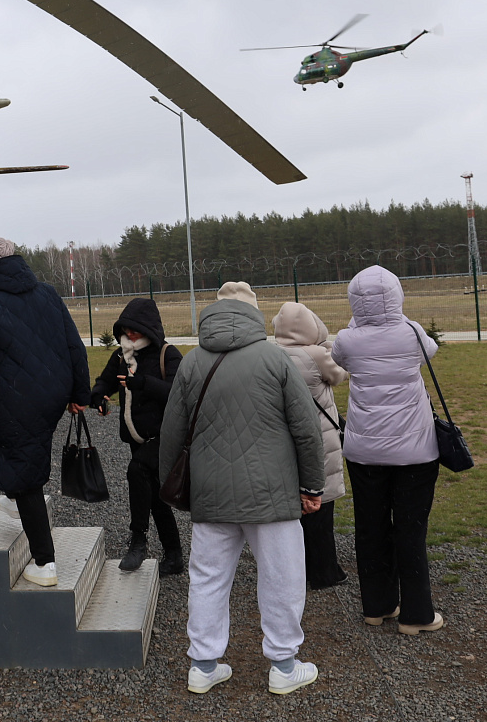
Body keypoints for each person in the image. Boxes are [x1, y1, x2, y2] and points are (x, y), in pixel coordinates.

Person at [159, 282, 326, 696]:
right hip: (272, 492)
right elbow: (307, 430)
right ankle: (283, 665)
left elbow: (171, 434)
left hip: (211, 492)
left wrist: (174, 488)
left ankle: (203, 664)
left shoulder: (192, 362)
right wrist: (312, 485)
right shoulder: (275, 358)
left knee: (208, 578)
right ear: (254, 314)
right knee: (282, 576)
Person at [0, 238, 91, 588]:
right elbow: (75, 346)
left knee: (25, 472)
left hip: (14, 398)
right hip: (52, 394)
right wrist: (79, 394)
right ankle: (14, 498)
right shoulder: (48, 293)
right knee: (23, 451)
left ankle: (45, 563)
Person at [331, 265, 445, 636]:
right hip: (415, 449)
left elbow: (341, 359)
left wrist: (361, 323)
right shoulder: (412, 332)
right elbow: (429, 351)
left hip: (364, 449)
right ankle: (417, 613)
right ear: (397, 296)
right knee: (411, 530)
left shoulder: (347, 339)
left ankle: (377, 606)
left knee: (370, 527)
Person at [91, 298, 184, 575]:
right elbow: (105, 381)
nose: (130, 334)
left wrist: (143, 383)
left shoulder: (168, 354)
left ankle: (138, 541)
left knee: (137, 471)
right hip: (137, 437)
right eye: (126, 329)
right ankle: (174, 556)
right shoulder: (122, 355)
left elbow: (177, 393)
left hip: (164, 437)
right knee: (154, 496)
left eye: (135, 329)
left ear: (149, 328)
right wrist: (99, 396)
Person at [273, 301, 349, 589]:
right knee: (321, 504)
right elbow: (340, 375)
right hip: (320, 436)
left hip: (286, 437)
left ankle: (296, 568)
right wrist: (325, 346)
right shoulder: (316, 354)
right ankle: (324, 571)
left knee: (295, 507)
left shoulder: (272, 354)